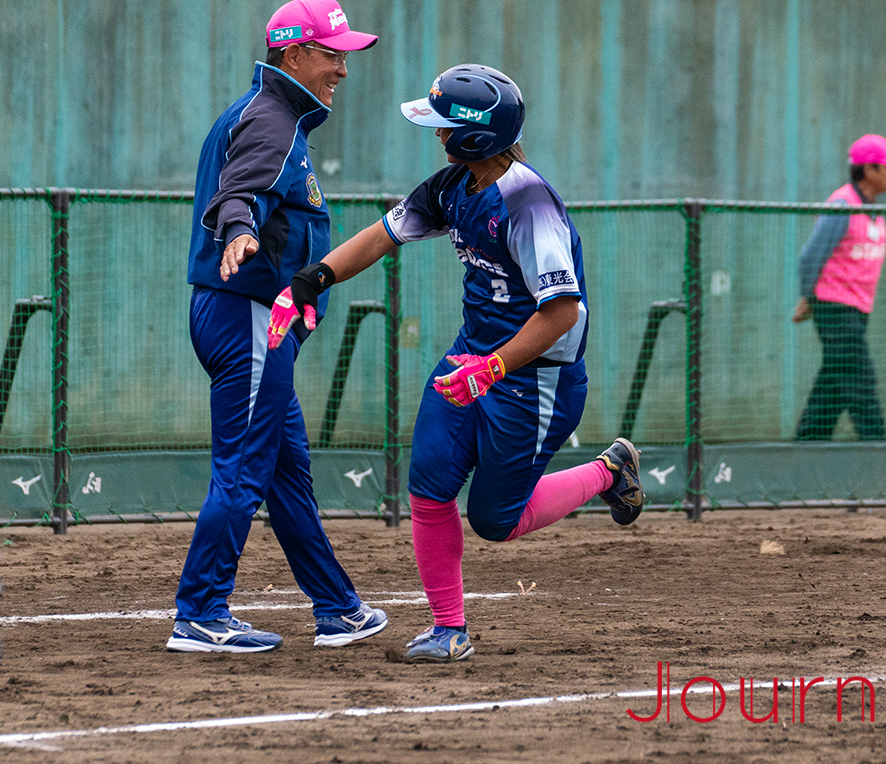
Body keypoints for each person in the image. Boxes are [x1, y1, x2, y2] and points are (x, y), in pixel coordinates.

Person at [266, 64, 644, 664]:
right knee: (429, 483)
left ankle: (608, 470)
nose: (436, 133)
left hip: (533, 377)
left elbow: (562, 312)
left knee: (497, 521)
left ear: (474, 137)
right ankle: (449, 628)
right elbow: (383, 235)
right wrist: (314, 278)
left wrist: (492, 368)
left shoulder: (528, 203)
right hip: (472, 356)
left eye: (446, 126)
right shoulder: (452, 185)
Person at [173, 0, 389, 654]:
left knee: (286, 470)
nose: (343, 70)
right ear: (294, 54)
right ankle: (200, 613)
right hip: (248, 317)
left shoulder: (265, 113)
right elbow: (240, 193)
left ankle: (338, 609)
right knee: (242, 467)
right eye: (332, 55)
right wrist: (238, 232)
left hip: (248, 315)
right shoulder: (272, 121)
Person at [792, 134, 886, 441]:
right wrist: (809, 297)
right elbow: (811, 255)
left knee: (833, 384)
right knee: (860, 381)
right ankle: (879, 457)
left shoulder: (872, 208)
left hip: (857, 308)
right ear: (869, 170)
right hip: (834, 307)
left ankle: (805, 449)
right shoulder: (843, 205)